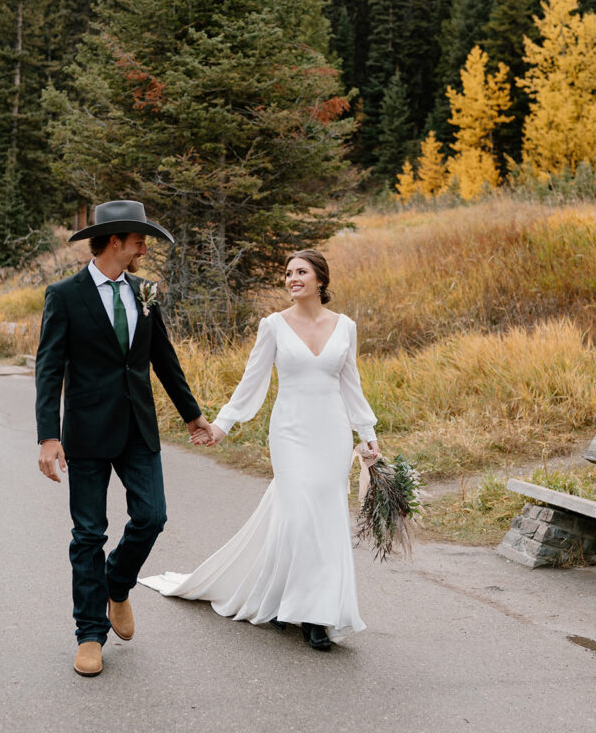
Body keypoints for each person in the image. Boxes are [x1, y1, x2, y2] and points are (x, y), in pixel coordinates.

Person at [139, 249, 378, 651]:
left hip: (332, 433)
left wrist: (367, 432)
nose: (292, 279)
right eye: (287, 273)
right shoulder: (274, 325)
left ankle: (308, 606)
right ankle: (310, 616)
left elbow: (349, 384)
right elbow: (251, 383)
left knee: (326, 517)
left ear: (321, 279)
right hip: (290, 433)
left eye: (301, 272)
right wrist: (222, 425)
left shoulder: (345, 327)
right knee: (301, 516)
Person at [35, 199, 214, 677]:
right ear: (117, 241)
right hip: (88, 430)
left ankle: (117, 584)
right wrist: (48, 437)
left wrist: (193, 415)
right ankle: (90, 634)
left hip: (139, 425)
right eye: (139, 240)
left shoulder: (146, 291)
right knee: (89, 533)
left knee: (152, 515)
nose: (143, 248)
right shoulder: (65, 295)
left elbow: (163, 357)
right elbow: (49, 370)